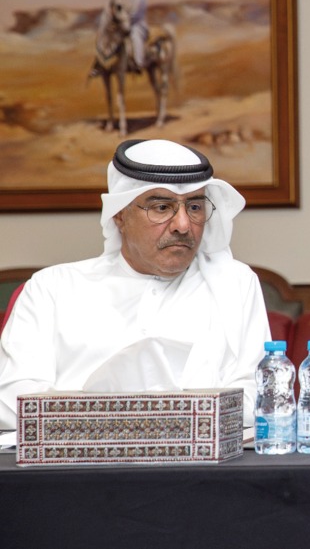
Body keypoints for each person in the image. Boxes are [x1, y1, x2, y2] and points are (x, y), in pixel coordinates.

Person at [0, 139, 270, 428]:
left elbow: (259, 397)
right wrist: (123, 419)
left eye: (194, 207)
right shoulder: (52, 288)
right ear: (120, 215)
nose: (183, 225)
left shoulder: (235, 284)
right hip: (74, 455)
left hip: (198, 457)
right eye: (162, 207)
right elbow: (12, 401)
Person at [97, 0, 149, 69]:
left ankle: (138, 62)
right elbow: (113, 4)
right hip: (123, 22)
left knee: (135, 36)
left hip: (136, 23)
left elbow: (137, 11)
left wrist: (125, 18)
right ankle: (105, 59)